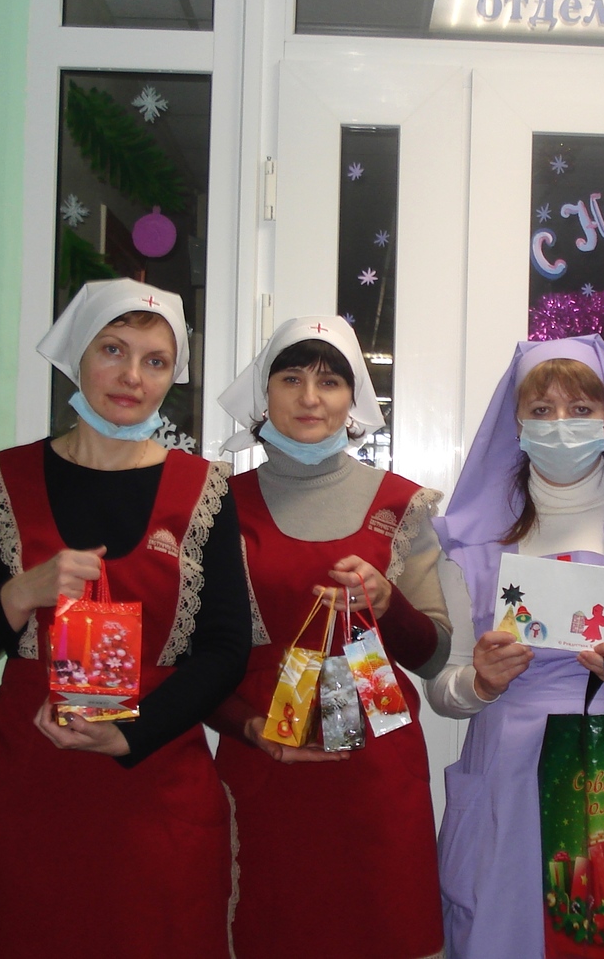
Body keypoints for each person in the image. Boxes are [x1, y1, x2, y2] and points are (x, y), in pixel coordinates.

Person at [0, 278, 251, 959]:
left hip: (156, 792)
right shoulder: (4, 482)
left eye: (155, 360)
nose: (132, 376)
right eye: (113, 349)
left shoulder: (204, 491)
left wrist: (130, 734)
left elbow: (225, 649)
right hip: (26, 791)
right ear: (78, 355)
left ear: (172, 377)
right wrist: (23, 591)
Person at [427, 335, 604, 959]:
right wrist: (480, 682)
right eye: (543, 409)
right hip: (510, 788)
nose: (562, 425)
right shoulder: (471, 541)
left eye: (581, 409)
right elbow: (444, 692)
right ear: (517, 422)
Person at [209, 316, 452, 959]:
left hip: (376, 773)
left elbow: (435, 655)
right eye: (291, 379)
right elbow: (196, 660)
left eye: (330, 382)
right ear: (264, 394)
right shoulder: (216, 506)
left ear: (354, 399)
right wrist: (246, 727)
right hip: (265, 759)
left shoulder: (402, 506)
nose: (310, 398)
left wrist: (387, 604)